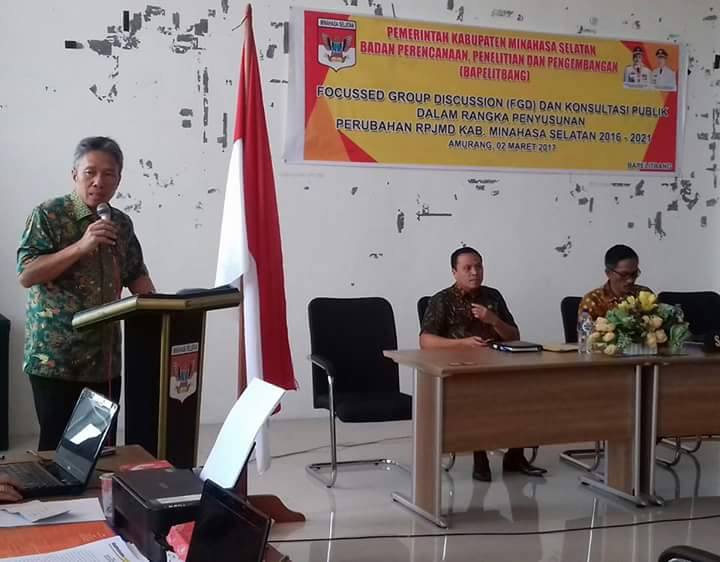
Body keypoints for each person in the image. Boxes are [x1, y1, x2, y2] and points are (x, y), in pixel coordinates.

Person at [17, 136, 155, 451]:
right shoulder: (48, 215)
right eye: (90, 172)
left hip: (103, 361)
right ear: (74, 175)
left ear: (119, 179)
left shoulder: (121, 223)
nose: (98, 182)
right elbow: (27, 274)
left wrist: (164, 307)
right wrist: (81, 246)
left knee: (98, 454)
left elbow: (136, 275)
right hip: (56, 360)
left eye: (108, 174)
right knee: (57, 454)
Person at [420, 247, 546, 481]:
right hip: (459, 369)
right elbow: (425, 341)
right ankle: (480, 458)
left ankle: (515, 455)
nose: (474, 272)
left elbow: (514, 336)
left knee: (526, 391)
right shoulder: (442, 300)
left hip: (497, 366)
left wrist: (493, 320)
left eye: (478, 267)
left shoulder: (493, 296)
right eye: (467, 268)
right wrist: (462, 344)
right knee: (477, 395)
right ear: (454, 272)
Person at [579, 244, 652, 320]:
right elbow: (586, 328)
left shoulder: (645, 295)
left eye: (634, 274)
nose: (630, 280)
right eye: (623, 274)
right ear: (608, 273)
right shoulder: (593, 301)